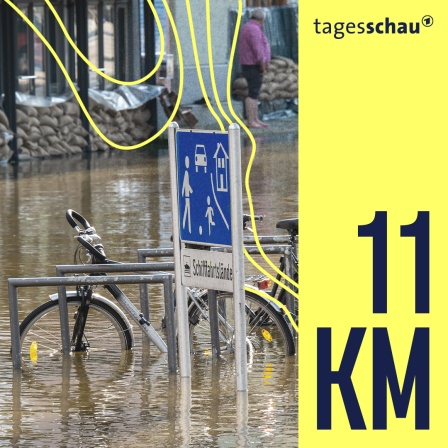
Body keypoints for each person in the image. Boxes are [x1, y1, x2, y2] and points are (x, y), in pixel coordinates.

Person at [238, 8, 271, 129]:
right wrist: (262, 65)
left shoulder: (249, 27)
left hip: (251, 64)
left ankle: (255, 119)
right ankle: (251, 120)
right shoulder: (253, 29)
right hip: (253, 65)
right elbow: (258, 49)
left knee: (255, 93)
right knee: (253, 93)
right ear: (261, 19)